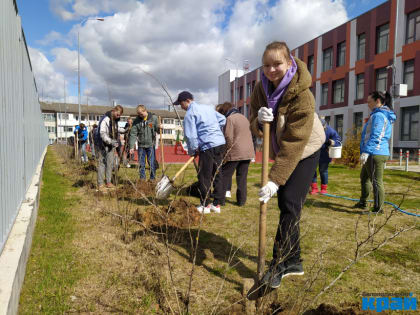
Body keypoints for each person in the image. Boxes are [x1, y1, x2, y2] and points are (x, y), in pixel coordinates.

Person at [250, 41, 325, 289]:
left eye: (277, 64)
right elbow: (253, 121)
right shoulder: (260, 88)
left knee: (290, 202)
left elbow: (295, 142)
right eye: (267, 65)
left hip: (306, 147)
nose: (271, 70)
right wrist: (259, 122)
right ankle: (294, 260)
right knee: (287, 204)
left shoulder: (303, 95)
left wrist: (274, 180)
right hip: (285, 148)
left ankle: (280, 263)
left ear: (289, 62)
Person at [174, 91, 226, 214]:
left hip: (207, 146)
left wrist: (192, 150)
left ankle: (205, 205)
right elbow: (223, 119)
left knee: (204, 176)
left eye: (181, 104)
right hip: (219, 143)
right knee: (217, 173)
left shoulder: (190, 114)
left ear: (187, 101)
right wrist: (213, 129)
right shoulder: (207, 108)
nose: (181, 107)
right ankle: (217, 204)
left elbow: (190, 136)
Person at [353, 91, 396, 213]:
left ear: (377, 101)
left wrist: (366, 151)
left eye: (369, 102)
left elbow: (377, 136)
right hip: (373, 151)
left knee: (376, 181)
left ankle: (378, 209)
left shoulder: (379, 116)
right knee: (364, 177)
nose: (367, 104)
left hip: (375, 153)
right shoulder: (378, 114)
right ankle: (363, 202)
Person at [217, 102, 255, 206]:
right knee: (242, 177)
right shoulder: (244, 118)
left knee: (224, 175)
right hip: (248, 152)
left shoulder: (230, 119)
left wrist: (226, 152)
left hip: (236, 151)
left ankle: (220, 200)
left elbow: (228, 137)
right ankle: (241, 201)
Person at [95, 105, 126, 191]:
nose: (118, 116)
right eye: (118, 114)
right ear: (113, 111)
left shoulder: (114, 120)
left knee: (110, 163)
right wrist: (110, 141)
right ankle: (100, 184)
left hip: (110, 144)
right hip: (102, 144)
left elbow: (116, 129)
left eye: (120, 115)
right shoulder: (105, 119)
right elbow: (102, 133)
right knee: (102, 163)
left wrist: (125, 130)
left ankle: (108, 182)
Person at [310, 119, 341, 195]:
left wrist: (331, 142)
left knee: (323, 171)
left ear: (325, 126)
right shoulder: (312, 129)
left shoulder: (331, 131)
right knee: (312, 171)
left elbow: (338, 141)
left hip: (325, 154)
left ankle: (324, 189)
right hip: (313, 152)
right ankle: (314, 188)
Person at [129, 105, 159, 181]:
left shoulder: (153, 118)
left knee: (151, 162)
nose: (140, 116)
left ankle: (152, 178)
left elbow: (157, 130)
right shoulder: (137, 121)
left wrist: (159, 127)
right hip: (141, 146)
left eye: (141, 114)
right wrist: (131, 146)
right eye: (138, 114)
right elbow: (133, 134)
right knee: (141, 163)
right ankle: (142, 179)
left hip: (150, 145)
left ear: (145, 110)